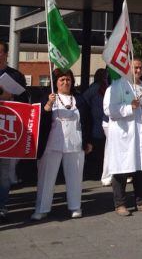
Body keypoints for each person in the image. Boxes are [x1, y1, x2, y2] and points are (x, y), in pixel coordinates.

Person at [31, 69, 93, 220]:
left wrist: (88, 141)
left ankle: (75, 206)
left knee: (75, 177)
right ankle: (41, 208)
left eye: (68, 80)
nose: (65, 83)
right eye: (62, 80)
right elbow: (38, 118)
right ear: (55, 82)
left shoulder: (79, 98)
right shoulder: (48, 97)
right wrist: (48, 105)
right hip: (52, 144)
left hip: (75, 144)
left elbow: (88, 121)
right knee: (46, 178)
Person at [103, 62, 142, 216]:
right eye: (135, 67)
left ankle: (141, 201)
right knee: (121, 168)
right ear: (127, 69)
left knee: (141, 169)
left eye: (140, 67)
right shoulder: (116, 86)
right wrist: (129, 107)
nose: (138, 70)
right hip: (125, 134)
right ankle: (120, 203)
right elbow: (110, 110)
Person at [0, 40, 29, 222]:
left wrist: (12, 97)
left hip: (7, 132)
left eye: (1, 51)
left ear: (6, 54)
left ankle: (2, 205)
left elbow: (25, 101)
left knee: (4, 173)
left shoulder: (16, 76)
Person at [82, 69, 109, 180]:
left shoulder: (108, 86)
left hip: (106, 119)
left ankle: (102, 169)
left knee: (103, 146)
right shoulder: (95, 87)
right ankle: (94, 171)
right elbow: (85, 98)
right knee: (96, 146)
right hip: (96, 120)